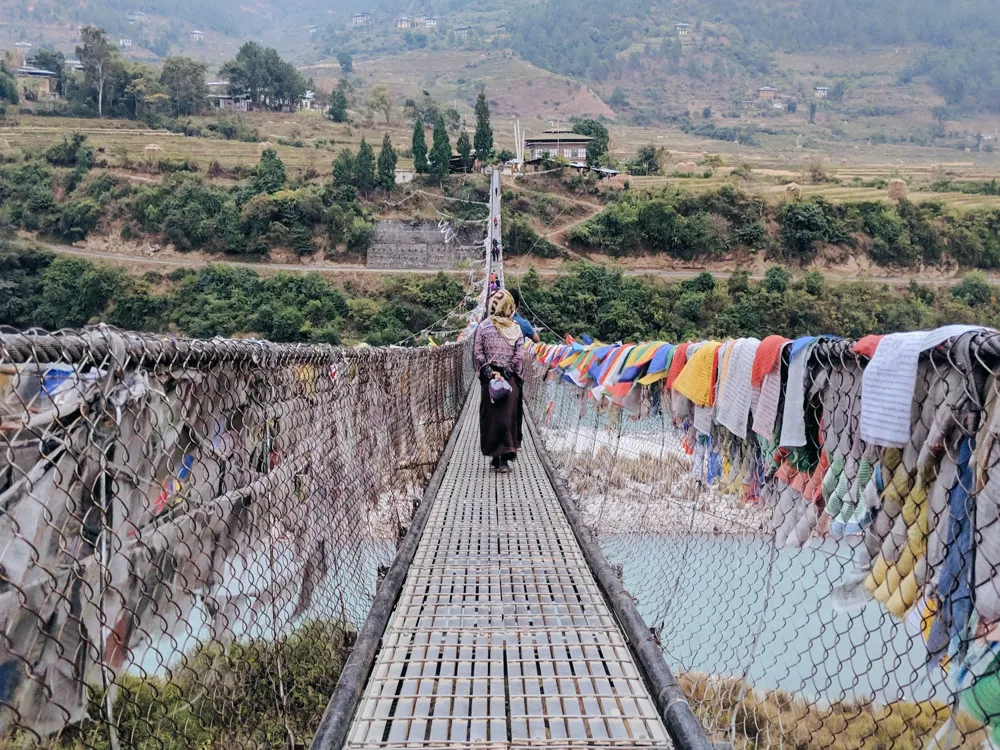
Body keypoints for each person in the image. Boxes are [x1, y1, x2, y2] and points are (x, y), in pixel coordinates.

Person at [474, 290, 524, 473]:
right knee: (507, 417)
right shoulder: (516, 328)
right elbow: (520, 354)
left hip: (490, 378)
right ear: (510, 307)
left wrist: (489, 372)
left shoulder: (483, 326)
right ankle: (502, 459)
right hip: (508, 379)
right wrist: (507, 372)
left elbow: (478, 352)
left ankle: (496, 456)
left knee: (491, 417)